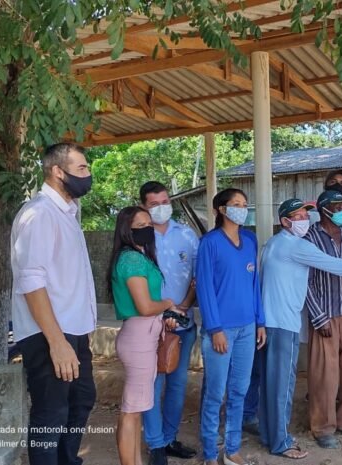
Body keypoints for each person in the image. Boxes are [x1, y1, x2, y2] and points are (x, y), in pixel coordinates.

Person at [259, 198, 342, 460]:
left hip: (279, 319)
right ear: (284, 221)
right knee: (286, 385)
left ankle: (273, 434)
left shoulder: (274, 243)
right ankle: (282, 441)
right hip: (288, 319)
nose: (302, 220)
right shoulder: (297, 244)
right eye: (297, 216)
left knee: (274, 382)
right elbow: (336, 266)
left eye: (304, 214)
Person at [11, 143, 97, 465]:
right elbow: (31, 282)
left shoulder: (68, 214)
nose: (88, 175)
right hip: (49, 334)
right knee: (51, 413)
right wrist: (57, 342)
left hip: (71, 331)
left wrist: (80, 333)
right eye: (81, 169)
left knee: (81, 400)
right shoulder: (39, 214)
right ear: (57, 172)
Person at [196, 188, 267, 465]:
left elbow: (254, 286)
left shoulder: (250, 240)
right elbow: (204, 288)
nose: (242, 208)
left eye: (245, 204)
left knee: (239, 390)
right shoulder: (209, 243)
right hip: (221, 331)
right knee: (215, 394)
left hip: (248, 328)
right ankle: (211, 454)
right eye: (236, 204)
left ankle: (233, 449)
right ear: (221, 209)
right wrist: (215, 329)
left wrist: (260, 322)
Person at [109, 206, 181, 465]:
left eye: (148, 223)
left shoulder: (139, 257)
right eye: (139, 226)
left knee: (137, 408)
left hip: (145, 334)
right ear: (126, 231)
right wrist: (168, 303)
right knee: (131, 410)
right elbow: (146, 306)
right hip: (139, 336)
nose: (146, 229)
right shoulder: (131, 259)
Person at [139, 181, 199, 465]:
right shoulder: (139, 239)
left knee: (177, 383)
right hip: (151, 324)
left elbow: (197, 277)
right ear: (143, 206)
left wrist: (183, 307)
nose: (161, 207)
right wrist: (161, 314)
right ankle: (156, 445)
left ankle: (170, 437)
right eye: (154, 204)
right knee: (153, 383)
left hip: (184, 322)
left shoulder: (187, 235)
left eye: (165, 201)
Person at [304, 190, 342, 449]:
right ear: (324, 209)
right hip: (325, 314)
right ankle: (322, 427)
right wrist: (318, 316)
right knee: (324, 376)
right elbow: (304, 282)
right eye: (338, 206)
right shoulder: (309, 238)